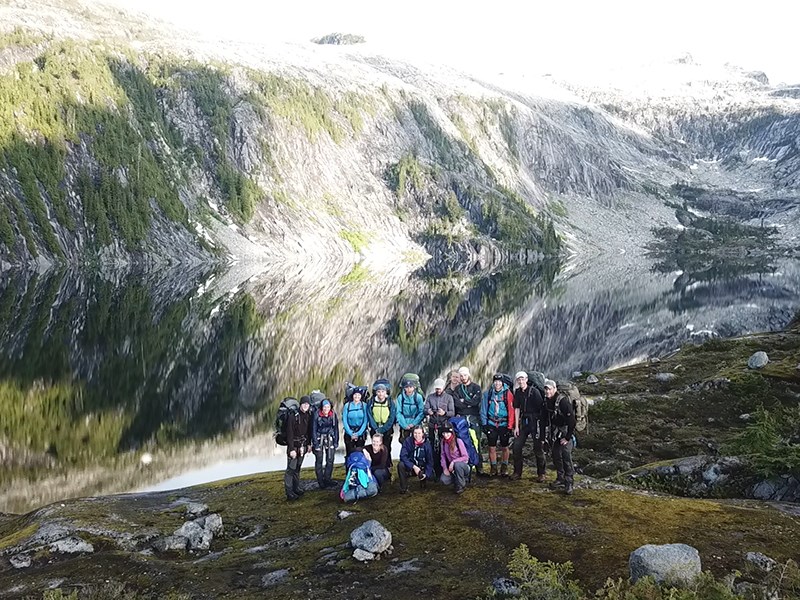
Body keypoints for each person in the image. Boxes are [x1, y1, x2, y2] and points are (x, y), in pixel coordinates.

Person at [512, 370, 549, 482]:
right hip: (524, 422)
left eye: (523, 379)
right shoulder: (518, 392)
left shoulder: (534, 392)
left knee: (538, 448)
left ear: (527, 380)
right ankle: (517, 472)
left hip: (535, 421)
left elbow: (541, 409)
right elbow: (517, 408)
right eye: (519, 379)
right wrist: (517, 426)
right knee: (516, 447)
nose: (521, 381)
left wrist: (541, 427)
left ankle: (541, 473)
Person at [544, 379, 576, 495]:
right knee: (556, 455)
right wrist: (544, 436)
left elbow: (572, 421)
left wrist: (567, 437)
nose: (547, 391)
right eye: (546, 389)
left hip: (565, 431)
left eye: (549, 389)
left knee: (566, 456)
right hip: (555, 432)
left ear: (555, 389)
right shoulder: (547, 401)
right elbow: (544, 419)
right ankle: (560, 478)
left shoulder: (563, 401)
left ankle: (569, 483)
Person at [480, 373, 516, 476]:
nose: (497, 384)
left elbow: (511, 411)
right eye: (495, 381)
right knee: (492, 447)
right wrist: (484, 424)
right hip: (491, 423)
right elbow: (483, 409)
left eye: (499, 382)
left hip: (504, 423)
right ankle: (493, 467)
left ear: (502, 382)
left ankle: (504, 467)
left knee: (505, 447)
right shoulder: (488, 393)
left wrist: (510, 426)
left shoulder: (507, 394)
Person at [452, 366, 484, 475]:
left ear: (468, 375)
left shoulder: (476, 387)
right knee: (462, 441)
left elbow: (476, 401)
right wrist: (468, 402)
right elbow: (457, 403)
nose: (463, 377)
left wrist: (464, 401)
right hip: (461, 418)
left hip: (474, 417)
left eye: (465, 375)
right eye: (461, 376)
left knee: (476, 441)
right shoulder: (457, 389)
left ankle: (479, 467)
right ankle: (467, 466)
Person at [284, 395, 313, 501]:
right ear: (300, 404)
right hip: (293, 446)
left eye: (307, 404)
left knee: (298, 468)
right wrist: (291, 449)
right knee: (290, 470)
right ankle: (289, 492)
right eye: (304, 404)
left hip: (303, 446)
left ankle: (296, 488)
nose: (306, 406)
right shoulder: (293, 416)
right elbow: (289, 433)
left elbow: (309, 432)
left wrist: (309, 444)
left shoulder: (308, 415)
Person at [425, 378, 454, 478]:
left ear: (443, 388)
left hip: (444, 426)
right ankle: (435, 470)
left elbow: (452, 412)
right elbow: (425, 409)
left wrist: (444, 413)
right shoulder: (430, 397)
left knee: (444, 448)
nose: (438, 390)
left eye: (439, 389)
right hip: (432, 425)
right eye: (436, 389)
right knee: (433, 447)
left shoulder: (449, 398)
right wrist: (428, 411)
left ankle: (445, 469)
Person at [312, 398, 339, 489]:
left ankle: (327, 479)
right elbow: (314, 429)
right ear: (321, 407)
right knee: (319, 460)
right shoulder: (316, 415)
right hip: (319, 438)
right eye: (324, 407)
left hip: (330, 438)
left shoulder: (333, 415)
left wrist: (336, 441)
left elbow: (336, 429)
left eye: (328, 407)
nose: (326, 408)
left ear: (330, 407)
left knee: (330, 459)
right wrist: (315, 443)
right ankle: (320, 481)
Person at [397, 425, 434, 493]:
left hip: (422, 466)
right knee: (401, 465)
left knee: (431, 476)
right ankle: (403, 487)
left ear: (423, 433)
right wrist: (413, 466)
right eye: (415, 433)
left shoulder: (427, 444)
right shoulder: (408, 441)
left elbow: (430, 461)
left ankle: (423, 480)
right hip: (411, 465)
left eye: (419, 433)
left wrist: (426, 474)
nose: (417, 435)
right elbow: (403, 456)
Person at [439, 424, 471, 494]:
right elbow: (443, 456)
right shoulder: (443, 442)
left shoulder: (458, 441)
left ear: (451, 432)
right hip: (451, 468)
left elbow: (465, 457)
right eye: (443, 433)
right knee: (444, 480)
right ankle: (456, 480)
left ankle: (461, 485)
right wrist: (445, 468)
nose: (445, 435)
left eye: (447, 433)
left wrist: (454, 461)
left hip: (462, 466)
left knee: (457, 465)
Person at [367, 381, 396, 450]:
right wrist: (375, 428)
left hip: (387, 428)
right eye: (379, 391)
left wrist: (384, 428)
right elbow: (370, 415)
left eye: (383, 391)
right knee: (376, 447)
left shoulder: (390, 402)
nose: (381, 394)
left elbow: (392, 416)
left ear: (386, 392)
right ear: (376, 392)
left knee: (387, 447)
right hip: (375, 427)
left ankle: (387, 460)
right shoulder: (371, 402)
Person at [342, 385, 369, 455]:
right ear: (352, 395)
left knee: (360, 451)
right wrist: (350, 433)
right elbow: (344, 420)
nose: (357, 396)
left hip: (361, 432)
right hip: (349, 432)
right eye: (355, 395)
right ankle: (349, 465)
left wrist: (359, 433)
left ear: (361, 396)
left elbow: (365, 421)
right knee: (349, 452)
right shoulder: (347, 406)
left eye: (359, 395)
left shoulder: (364, 405)